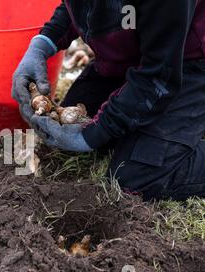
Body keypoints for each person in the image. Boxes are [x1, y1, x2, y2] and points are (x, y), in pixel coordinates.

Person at [12, 0, 205, 201]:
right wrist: (43, 43)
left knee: (135, 178)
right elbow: (79, 8)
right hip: (126, 56)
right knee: (74, 124)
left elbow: (159, 78)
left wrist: (94, 133)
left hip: (185, 64)